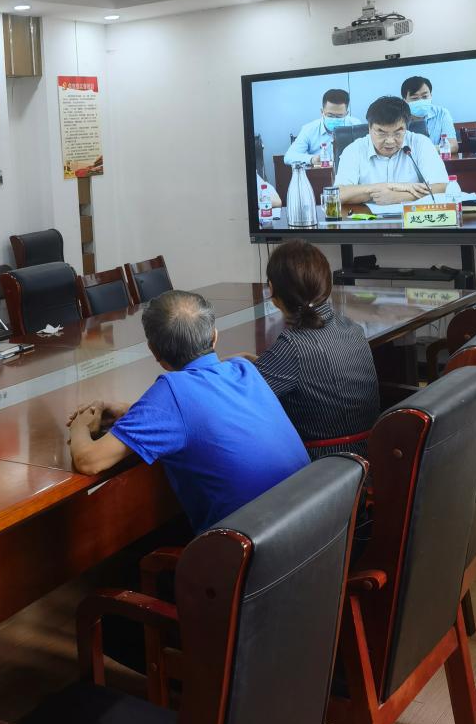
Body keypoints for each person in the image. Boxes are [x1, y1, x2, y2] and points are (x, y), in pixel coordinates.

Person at [67, 290, 309, 533]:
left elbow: (89, 461)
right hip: (309, 522)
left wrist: (80, 423)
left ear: (154, 351)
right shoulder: (243, 369)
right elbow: (197, 408)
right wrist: (131, 411)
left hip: (248, 544)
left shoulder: (169, 396)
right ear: (214, 337)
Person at [253, 241, 379, 455]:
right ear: (326, 285)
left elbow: (240, 398)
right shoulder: (351, 327)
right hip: (368, 452)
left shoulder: (293, 346)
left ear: (271, 289)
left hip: (324, 463)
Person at [335, 95, 448, 207]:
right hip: (367, 217)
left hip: (412, 216)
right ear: (369, 128)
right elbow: (339, 194)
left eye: (397, 133)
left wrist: (399, 196)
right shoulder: (354, 149)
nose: (390, 141)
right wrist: (384, 187)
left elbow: (441, 187)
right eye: (381, 133)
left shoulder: (420, 143)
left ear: (406, 128)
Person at [284, 88, 363, 166]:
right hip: (321, 172)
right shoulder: (309, 129)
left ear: (346, 113)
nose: (334, 119)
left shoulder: (356, 126)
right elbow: (289, 157)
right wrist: (311, 159)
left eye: (339, 116)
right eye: (330, 115)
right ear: (322, 112)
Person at [400, 74, 458, 153]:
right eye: (415, 98)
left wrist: (424, 151)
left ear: (431, 95)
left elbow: (453, 146)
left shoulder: (442, 113)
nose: (420, 101)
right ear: (404, 100)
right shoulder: (397, 117)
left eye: (425, 97)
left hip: (435, 158)